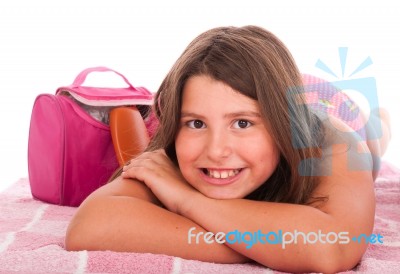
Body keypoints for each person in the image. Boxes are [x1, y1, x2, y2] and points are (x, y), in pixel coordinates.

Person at [65, 26, 391, 273]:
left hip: (331, 106)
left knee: (373, 138)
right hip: (269, 91)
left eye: (243, 124)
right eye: (195, 123)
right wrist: (279, 245)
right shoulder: (173, 155)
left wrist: (186, 199)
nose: (216, 151)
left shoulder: (333, 144)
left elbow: (332, 247)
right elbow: (91, 225)